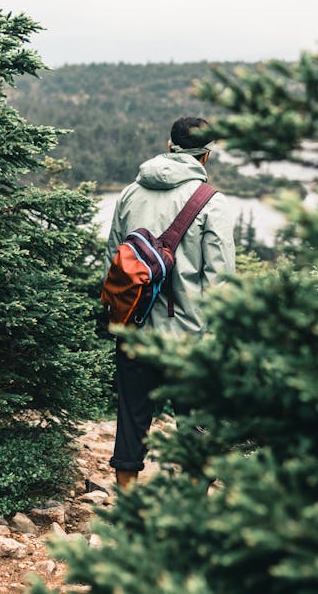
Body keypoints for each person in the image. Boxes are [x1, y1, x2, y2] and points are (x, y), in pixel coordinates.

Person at [104, 116, 236, 488]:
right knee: (195, 423)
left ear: (169, 145)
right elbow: (221, 280)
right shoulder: (212, 203)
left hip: (134, 330)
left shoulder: (131, 192)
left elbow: (112, 259)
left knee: (131, 419)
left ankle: (127, 506)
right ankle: (193, 509)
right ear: (205, 156)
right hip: (189, 339)